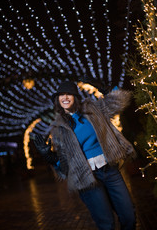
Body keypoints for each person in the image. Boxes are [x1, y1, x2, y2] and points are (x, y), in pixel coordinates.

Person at [34, 81, 136, 230]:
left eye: (69, 94)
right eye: (61, 95)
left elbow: (118, 102)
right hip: (86, 178)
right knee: (106, 224)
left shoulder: (92, 109)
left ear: (75, 96)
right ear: (58, 99)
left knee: (129, 216)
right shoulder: (58, 129)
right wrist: (48, 156)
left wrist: (109, 91)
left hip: (110, 171)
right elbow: (64, 166)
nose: (65, 97)